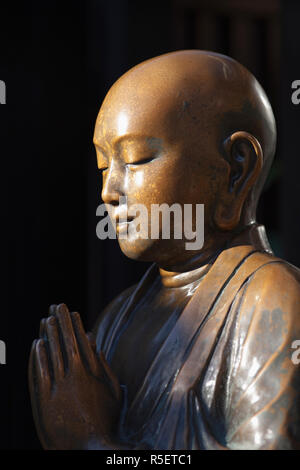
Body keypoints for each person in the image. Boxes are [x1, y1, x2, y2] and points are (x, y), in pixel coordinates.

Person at [29, 50, 300, 450]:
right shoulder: (117, 319)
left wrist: (90, 442)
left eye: (136, 160)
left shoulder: (268, 301)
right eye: (105, 167)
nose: (109, 192)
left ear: (236, 168)